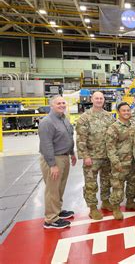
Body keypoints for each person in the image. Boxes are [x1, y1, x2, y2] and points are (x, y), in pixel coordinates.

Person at [76, 91, 115, 220]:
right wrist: (85, 156)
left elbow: (113, 136)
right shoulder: (84, 117)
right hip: (92, 157)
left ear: (104, 100)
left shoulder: (109, 117)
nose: (99, 100)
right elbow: (81, 139)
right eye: (96, 98)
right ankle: (92, 208)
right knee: (91, 183)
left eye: (101, 98)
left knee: (106, 181)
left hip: (107, 156)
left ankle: (105, 201)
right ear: (91, 99)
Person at [38, 95, 76, 229]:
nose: (61, 105)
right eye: (58, 103)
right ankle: (50, 219)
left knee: (60, 187)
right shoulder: (47, 122)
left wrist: (72, 153)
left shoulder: (63, 119)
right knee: (52, 189)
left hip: (64, 156)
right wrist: (52, 165)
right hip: (54, 158)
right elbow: (46, 145)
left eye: (63, 103)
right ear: (51, 106)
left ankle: (57, 211)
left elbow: (69, 136)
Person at [106, 102, 135, 220]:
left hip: (133, 161)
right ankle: (116, 207)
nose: (126, 112)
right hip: (120, 162)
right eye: (123, 111)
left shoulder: (134, 125)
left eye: (128, 110)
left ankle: (130, 201)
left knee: (132, 184)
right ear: (118, 112)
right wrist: (115, 162)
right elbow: (110, 147)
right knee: (118, 186)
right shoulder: (113, 127)